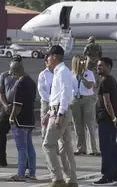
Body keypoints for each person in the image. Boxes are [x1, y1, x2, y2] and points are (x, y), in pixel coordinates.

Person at [42, 45, 78, 187]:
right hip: (57, 111)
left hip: (60, 112)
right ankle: (71, 180)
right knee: (65, 146)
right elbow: (57, 96)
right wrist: (49, 112)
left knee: (48, 144)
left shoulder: (62, 71)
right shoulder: (59, 71)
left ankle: (57, 178)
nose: (47, 59)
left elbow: (65, 93)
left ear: (55, 57)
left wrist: (60, 114)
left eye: (49, 56)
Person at [92, 57, 117, 185]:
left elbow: (107, 101)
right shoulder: (113, 81)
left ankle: (107, 176)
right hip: (112, 119)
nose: (98, 68)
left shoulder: (105, 82)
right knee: (112, 147)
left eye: (101, 66)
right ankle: (115, 174)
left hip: (106, 119)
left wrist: (114, 117)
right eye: (98, 66)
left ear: (109, 67)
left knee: (106, 148)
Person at [7, 61, 37, 181]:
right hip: (30, 119)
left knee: (21, 148)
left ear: (14, 72)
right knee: (29, 147)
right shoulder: (31, 82)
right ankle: (32, 172)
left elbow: (17, 106)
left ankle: (20, 174)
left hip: (20, 121)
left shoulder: (20, 84)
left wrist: (11, 117)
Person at [0, 56, 22, 168]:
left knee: (20, 134)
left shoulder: (22, 77)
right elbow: (0, 91)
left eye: (18, 62)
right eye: (14, 62)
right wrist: (5, 105)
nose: (15, 64)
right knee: (0, 127)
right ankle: (1, 158)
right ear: (10, 63)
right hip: (7, 106)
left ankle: (24, 160)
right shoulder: (4, 75)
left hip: (19, 107)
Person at [69, 55, 99, 156]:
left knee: (89, 124)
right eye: (81, 61)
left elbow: (90, 85)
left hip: (87, 99)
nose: (83, 63)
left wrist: (82, 78)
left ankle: (93, 149)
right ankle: (81, 148)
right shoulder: (71, 74)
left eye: (83, 61)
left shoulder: (88, 73)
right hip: (75, 99)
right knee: (78, 125)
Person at [38, 54, 54, 138]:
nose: (52, 63)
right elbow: (41, 90)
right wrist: (50, 99)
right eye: (50, 61)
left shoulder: (58, 72)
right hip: (46, 102)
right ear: (46, 62)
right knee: (45, 122)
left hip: (57, 102)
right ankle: (44, 140)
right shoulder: (43, 74)